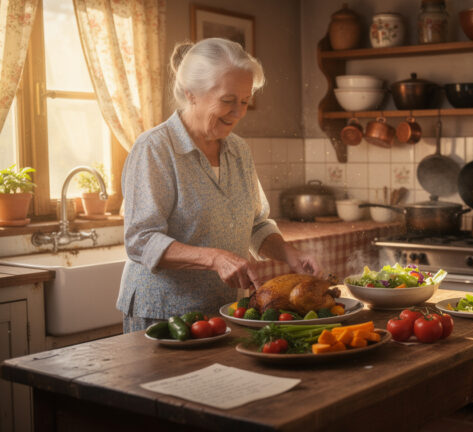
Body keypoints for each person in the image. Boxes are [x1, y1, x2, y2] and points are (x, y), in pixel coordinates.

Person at [117, 38, 322, 333]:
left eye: (244, 101)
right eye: (227, 101)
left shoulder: (238, 150)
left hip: (223, 312)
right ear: (191, 94)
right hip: (163, 316)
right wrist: (215, 258)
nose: (238, 112)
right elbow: (140, 240)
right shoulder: (156, 148)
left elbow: (256, 224)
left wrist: (291, 255)